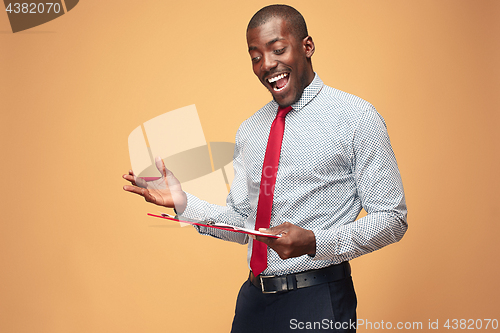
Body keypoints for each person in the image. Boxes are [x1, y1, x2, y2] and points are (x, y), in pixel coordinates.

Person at [123, 4, 407, 332]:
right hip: (253, 303)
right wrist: (184, 203)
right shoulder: (251, 130)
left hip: (317, 299)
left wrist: (315, 242)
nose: (267, 64)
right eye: (256, 56)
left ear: (307, 46)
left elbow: (392, 219)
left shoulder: (356, 118)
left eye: (277, 50)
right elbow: (243, 224)